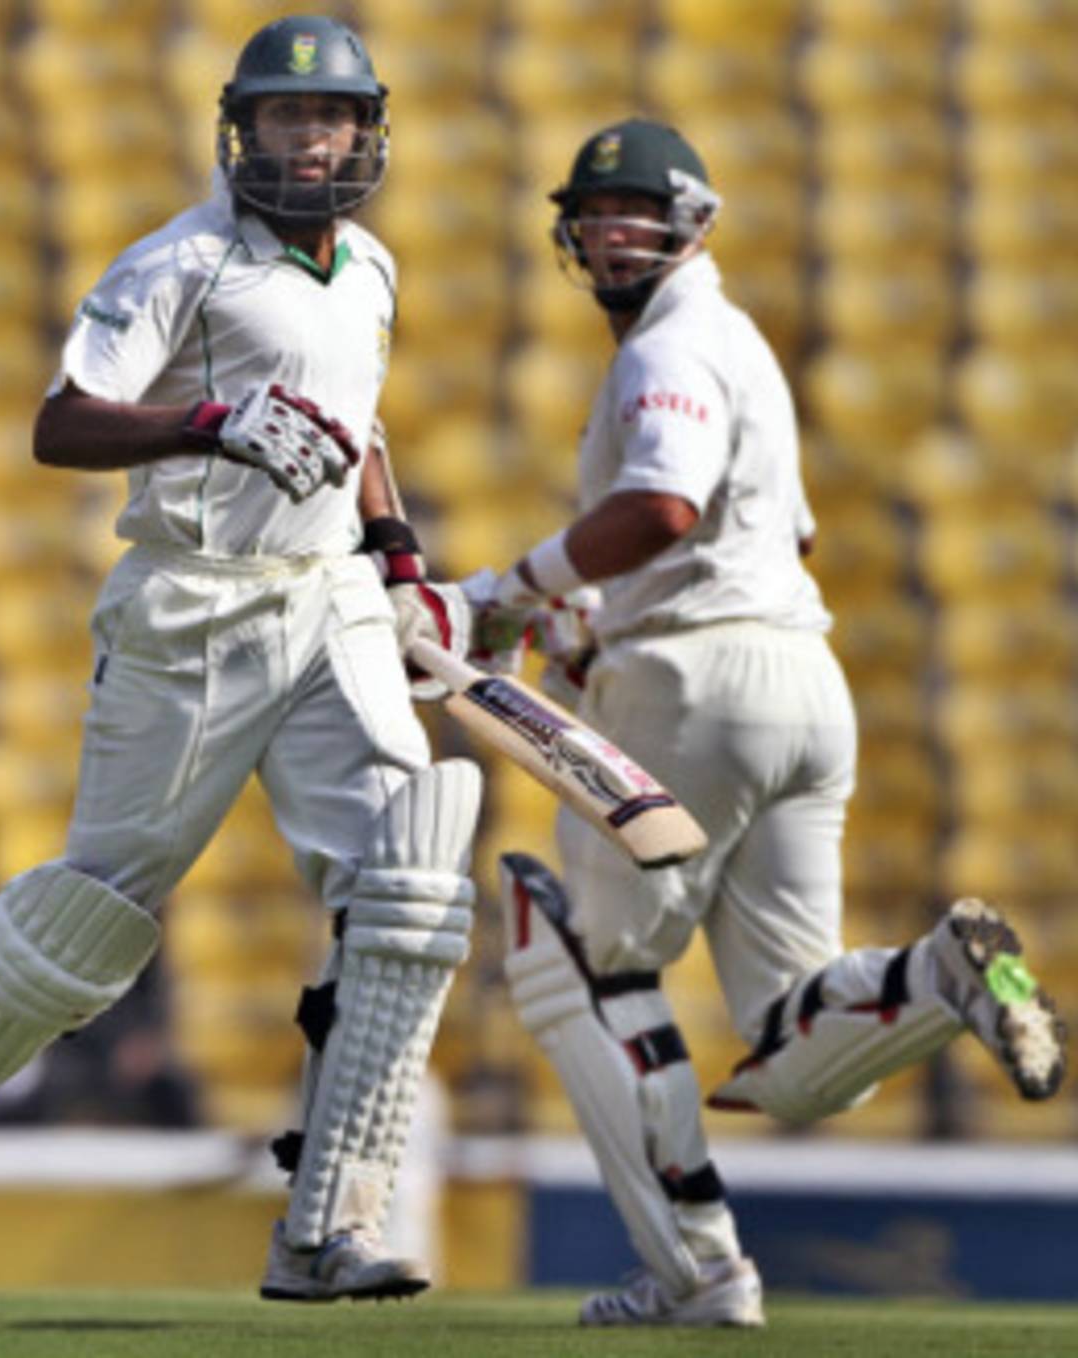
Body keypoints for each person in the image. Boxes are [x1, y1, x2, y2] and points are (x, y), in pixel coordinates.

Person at [0, 15, 480, 1305]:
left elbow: (360, 424)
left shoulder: (375, 270)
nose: (307, 143)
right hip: (190, 607)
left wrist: (398, 558)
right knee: (96, 917)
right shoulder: (178, 263)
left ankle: (328, 1225)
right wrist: (212, 424)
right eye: (285, 122)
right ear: (246, 131)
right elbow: (58, 424)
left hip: (326, 597)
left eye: (329, 121)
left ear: (365, 134)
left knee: (408, 876)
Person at [470, 117, 1067, 1329]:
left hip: (694, 684)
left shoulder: (666, 348)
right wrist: (598, 616)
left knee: (585, 961)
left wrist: (514, 588)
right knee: (790, 1042)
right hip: (802, 681)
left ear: (692, 222)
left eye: (632, 212)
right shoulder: (740, 344)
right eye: (590, 217)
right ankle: (936, 973)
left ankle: (697, 1273)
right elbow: (777, 537)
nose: (607, 234)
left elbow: (665, 506)